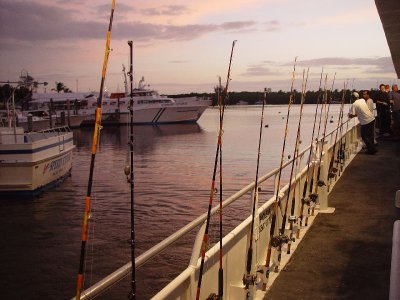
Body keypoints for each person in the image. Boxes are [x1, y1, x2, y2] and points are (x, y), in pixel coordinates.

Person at [348, 90, 377, 154]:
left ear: (353, 98)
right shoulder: (362, 100)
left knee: (364, 136)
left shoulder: (354, 104)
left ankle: (372, 149)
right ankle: (371, 148)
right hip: (372, 119)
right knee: (370, 135)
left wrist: (349, 115)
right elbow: (360, 110)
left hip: (365, 121)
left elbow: (351, 115)